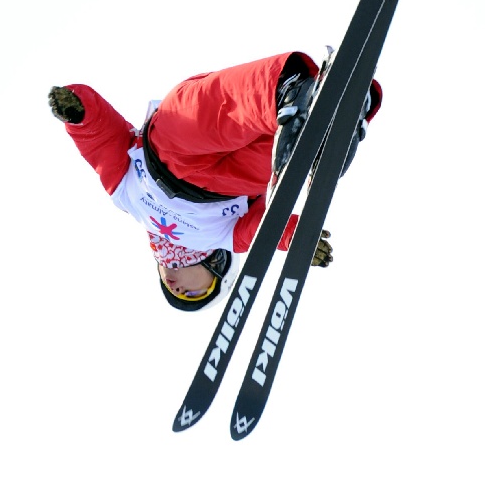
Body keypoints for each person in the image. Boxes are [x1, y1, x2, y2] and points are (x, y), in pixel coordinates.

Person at [48, 48, 382, 312]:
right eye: (195, 293)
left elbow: (104, 143)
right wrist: (299, 239)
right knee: (264, 165)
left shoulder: (127, 199)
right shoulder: (225, 239)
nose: (179, 289)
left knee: (201, 115)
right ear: (218, 271)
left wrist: (81, 114)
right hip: (234, 186)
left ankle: (286, 88)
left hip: (168, 154)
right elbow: (267, 229)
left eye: (174, 291)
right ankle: (328, 117)